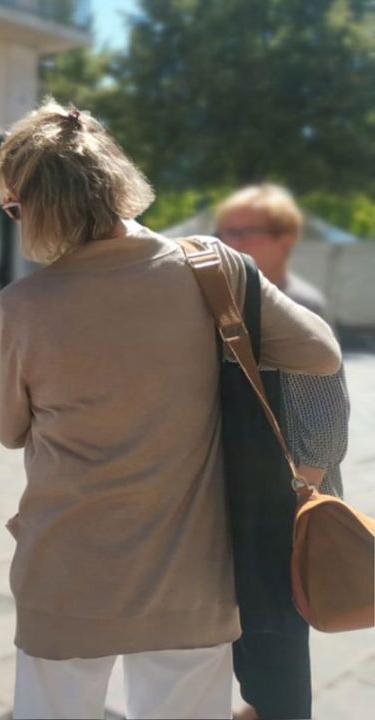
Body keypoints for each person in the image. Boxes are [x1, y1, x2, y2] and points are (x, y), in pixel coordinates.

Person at [0, 100, 342, 720]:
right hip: (194, 576)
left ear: (37, 204)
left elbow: (8, 429)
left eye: (14, 208)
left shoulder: (24, 304)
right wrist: (308, 468)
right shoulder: (212, 269)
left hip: (67, 574)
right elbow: (320, 351)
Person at [215, 184, 350, 720]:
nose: (231, 242)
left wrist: (295, 511)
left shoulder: (299, 305)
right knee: (250, 632)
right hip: (247, 496)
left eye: (245, 232)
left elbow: (323, 422)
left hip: (284, 502)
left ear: (285, 240)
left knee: (277, 634)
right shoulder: (234, 300)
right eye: (226, 231)